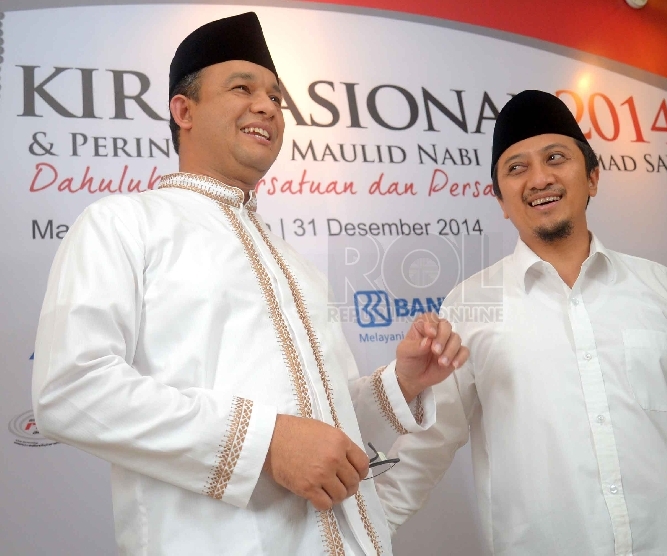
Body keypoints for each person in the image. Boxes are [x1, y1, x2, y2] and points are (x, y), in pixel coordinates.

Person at [31, 12, 467, 556]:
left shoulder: (296, 266)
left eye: (276, 97)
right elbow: (71, 388)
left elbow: (328, 433)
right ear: (182, 110)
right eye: (243, 87)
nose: (267, 106)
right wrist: (264, 443)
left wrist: (400, 384)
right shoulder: (122, 224)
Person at [375, 90, 667, 555]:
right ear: (499, 199)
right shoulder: (472, 305)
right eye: (516, 168)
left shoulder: (663, 291)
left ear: (593, 176)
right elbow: (424, 449)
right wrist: (356, 534)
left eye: (555, 158)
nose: (539, 179)